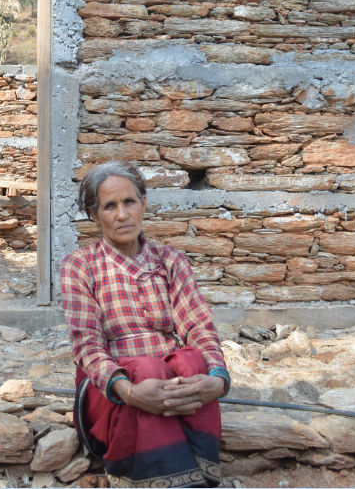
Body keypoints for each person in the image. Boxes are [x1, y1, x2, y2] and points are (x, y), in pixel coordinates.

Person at [62, 161, 229, 488]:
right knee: (148, 368)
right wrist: (130, 391)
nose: (122, 214)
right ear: (95, 216)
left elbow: (199, 327)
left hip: (167, 385)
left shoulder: (170, 260)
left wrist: (218, 379)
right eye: (109, 206)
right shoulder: (80, 265)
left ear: (144, 203)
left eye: (130, 202)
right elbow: (88, 347)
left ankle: (197, 474)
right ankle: (163, 476)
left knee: (194, 361)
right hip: (113, 393)